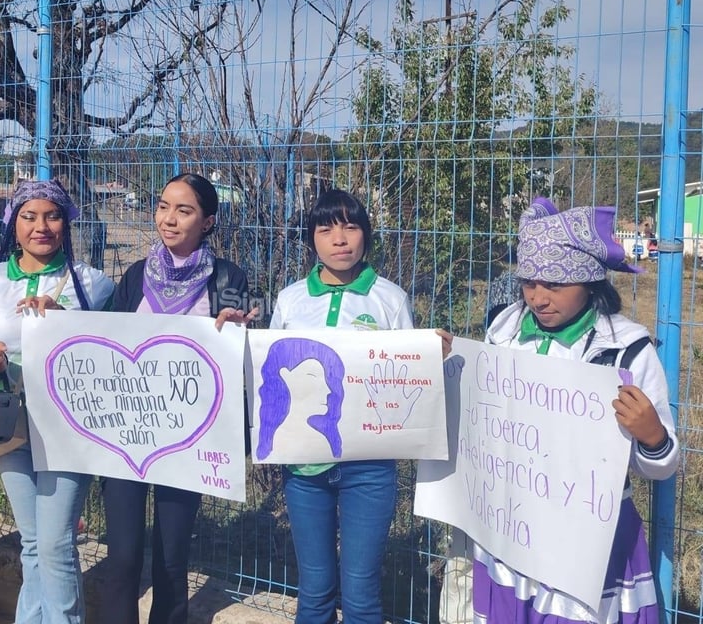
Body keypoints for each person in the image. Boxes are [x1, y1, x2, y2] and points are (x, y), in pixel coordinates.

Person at [474, 196, 679, 624]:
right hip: (514, 525)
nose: (539, 297)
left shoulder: (626, 351)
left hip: (590, 536)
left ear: (589, 283)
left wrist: (652, 436)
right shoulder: (505, 331)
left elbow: (660, 467)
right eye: (529, 282)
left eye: (555, 284)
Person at [266, 188, 448, 624]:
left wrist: (431, 357)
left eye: (351, 227)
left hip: (369, 468)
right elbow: (271, 375)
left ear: (366, 235)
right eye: (326, 228)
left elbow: (406, 380)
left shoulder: (390, 298)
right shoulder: (291, 299)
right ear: (311, 238)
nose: (340, 238)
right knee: (314, 592)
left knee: (362, 593)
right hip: (304, 469)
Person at [0, 178, 115, 624]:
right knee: (31, 540)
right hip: (10, 422)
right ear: (14, 223)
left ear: (67, 222)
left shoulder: (93, 284)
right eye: (29, 216)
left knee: (55, 542)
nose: (40, 226)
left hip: (68, 424)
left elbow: (112, 354)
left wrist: (65, 322)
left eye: (52, 215)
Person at [102, 172, 256, 624]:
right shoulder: (134, 275)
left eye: (183, 210)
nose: (168, 219)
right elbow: (107, 342)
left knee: (171, 560)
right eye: (164, 206)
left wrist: (240, 327)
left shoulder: (228, 277)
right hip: (126, 438)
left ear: (207, 221)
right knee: (123, 557)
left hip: (188, 442)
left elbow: (242, 352)